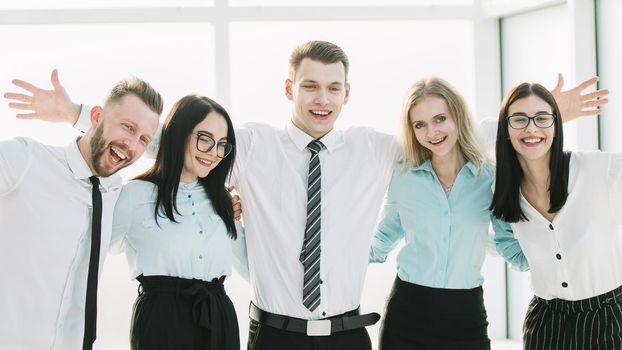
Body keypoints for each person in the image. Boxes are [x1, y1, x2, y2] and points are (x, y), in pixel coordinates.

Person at [4, 41, 608, 350]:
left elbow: (445, 132)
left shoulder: (374, 149)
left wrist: (537, 119)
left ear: (349, 93)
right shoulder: (256, 146)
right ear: (289, 87)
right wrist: (80, 112)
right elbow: (185, 137)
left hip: (348, 337)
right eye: (311, 86)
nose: (322, 98)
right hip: (274, 336)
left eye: (334, 88)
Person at [0, 73, 163, 350]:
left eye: (143, 139)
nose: (132, 145)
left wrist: (74, 112)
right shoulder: (26, 161)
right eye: (126, 126)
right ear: (97, 117)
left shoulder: (118, 195)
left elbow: (177, 149)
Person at [369, 77, 499, 350]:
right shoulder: (404, 176)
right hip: (408, 315)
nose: (432, 132)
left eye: (440, 119)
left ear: (458, 117)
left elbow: (508, 237)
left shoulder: (489, 177)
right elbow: (384, 236)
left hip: (466, 315)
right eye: (420, 125)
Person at [491, 82, 622, 349]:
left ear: (556, 124)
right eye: (519, 119)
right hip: (546, 321)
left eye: (542, 118)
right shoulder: (502, 189)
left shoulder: (597, 169)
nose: (531, 128)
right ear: (504, 129)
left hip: (609, 316)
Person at [110, 94, 244, 350]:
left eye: (222, 144)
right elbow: (96, 252)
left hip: (218, 318)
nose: (214, 153)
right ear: (179, 133)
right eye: (204, 139)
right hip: (162, 321)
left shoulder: (223, 200)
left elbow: (249, 267)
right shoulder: (135, 195)